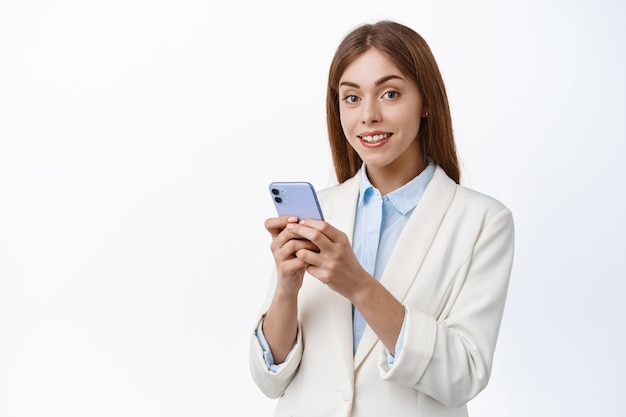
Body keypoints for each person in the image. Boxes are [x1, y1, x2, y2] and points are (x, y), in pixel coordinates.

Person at [249, 20, 515, 417]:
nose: (368, 115)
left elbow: (464, 374)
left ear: (426, 103)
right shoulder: (319, 213)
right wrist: (287, 288)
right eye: (351, 98)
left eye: (390, 93)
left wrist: (358, 286)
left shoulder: (482, 221)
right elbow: (271, 380)